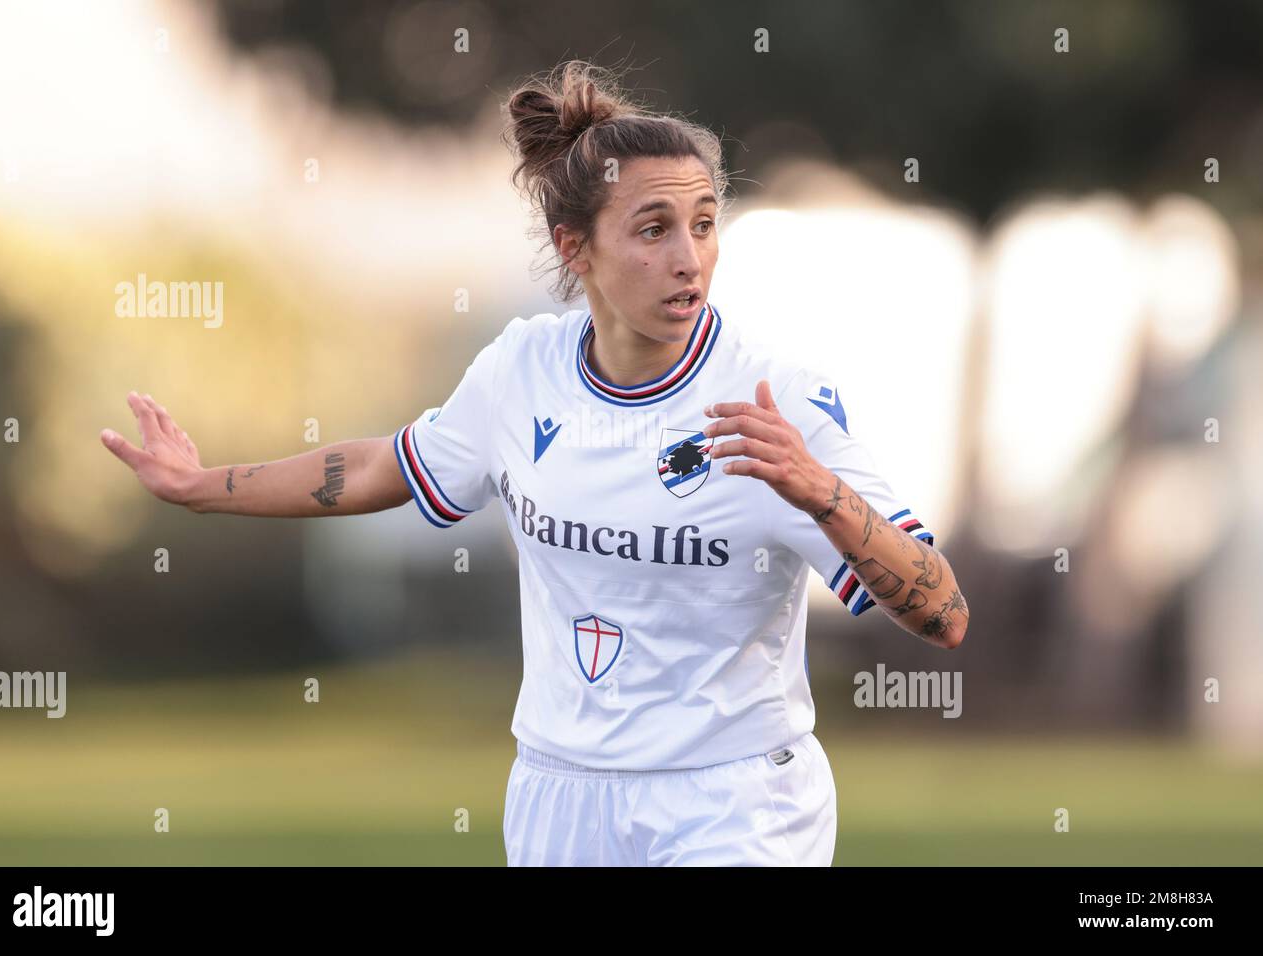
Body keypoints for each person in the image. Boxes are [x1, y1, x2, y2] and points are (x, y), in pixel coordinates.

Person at [100, 60, 969, 867]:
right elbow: (380, 470)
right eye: (654, 229)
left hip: (738, 804)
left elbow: (944, 613)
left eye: (705, 225)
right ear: (574, 247)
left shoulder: (779, 400)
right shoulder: (521, 373)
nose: (688, 258)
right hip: (562, 797)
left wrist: (823, 496)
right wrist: (201, 488)